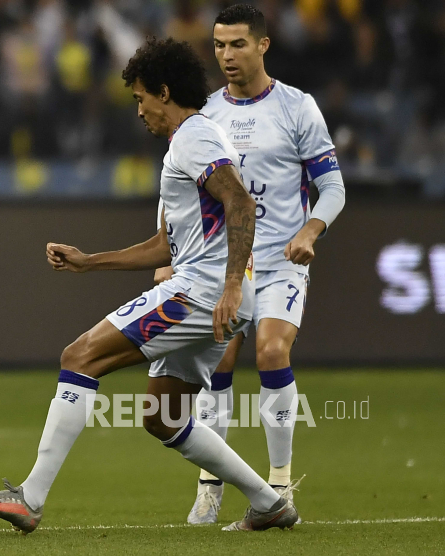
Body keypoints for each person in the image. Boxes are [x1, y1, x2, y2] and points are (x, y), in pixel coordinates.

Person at [0, 37, 298, 533]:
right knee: (163, 417)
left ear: (164, 92)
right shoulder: (189, 145)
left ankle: (30, 499)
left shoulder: (194, 138)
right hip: (212, 291)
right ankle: (269, 503)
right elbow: (168, 245)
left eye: (141, 98)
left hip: (201, 293)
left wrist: (230, 285)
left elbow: (241, 204)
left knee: (79, 357)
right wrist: (90, 262)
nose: (139, 110)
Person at [153, 4, 346, 524]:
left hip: (281, 256)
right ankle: (210, 487)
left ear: (263, 45)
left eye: (237, 44)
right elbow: (177, 189)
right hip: (221, 258)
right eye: (219, 45)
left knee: (272, 349)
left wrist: (311, 229)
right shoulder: (204, 114)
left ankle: (280, 488)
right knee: (217, 367)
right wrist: (171, 254)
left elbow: (332, 185)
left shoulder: (297, 108)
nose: (226, 55)